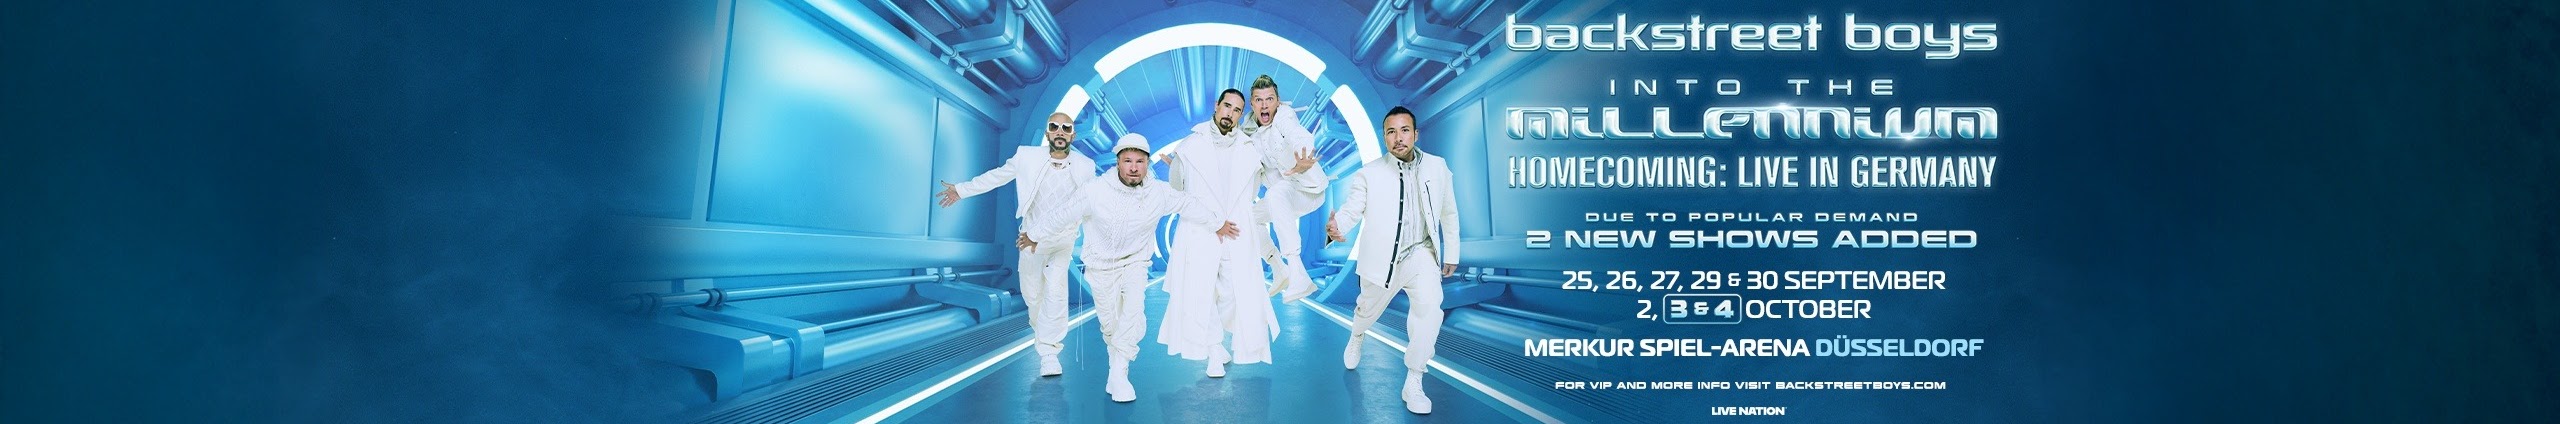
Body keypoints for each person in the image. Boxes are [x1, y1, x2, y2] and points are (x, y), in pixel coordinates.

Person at [1025, 134, 1199, 403]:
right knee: (1111, 324)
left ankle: (1120, 373)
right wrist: (1034, 234)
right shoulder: (1095, 191)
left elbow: (1189, 203)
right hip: (1101, 266)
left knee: (1133, 312)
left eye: (1140, 161)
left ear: (1147, 164)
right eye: (1128, 161)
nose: (1134, 167)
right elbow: (1063, 214)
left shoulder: (1159, 192)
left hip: (1136, 263)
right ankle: (1115, 365)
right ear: (1118, 163)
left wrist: (1219, 222)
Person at [937, 112, 1094, 377]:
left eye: (1066, 128)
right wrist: (962, 190)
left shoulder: (1086, 166)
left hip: (1063, 240)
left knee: (1056, 291)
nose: (1060, 131)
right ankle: (1041, 332)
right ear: (1048, 132)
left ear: (1072, 134)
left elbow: (1092, 202)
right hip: (1030, 239)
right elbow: (996, 177)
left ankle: (1049, 353)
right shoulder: (1026, 157)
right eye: (1054, 126)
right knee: (1033, 295)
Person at [1325, 106, 1460, 414]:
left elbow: (1448, 211)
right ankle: (1357, 333)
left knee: (1430, 310)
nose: (1398, 138)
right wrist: (1336, 228)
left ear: (1415, 134)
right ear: (1384, 137)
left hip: (1421, 252)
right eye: (1391, 132)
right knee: (1366, 310)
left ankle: (1414, 380)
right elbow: (1351, 210)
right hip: (1382, 259)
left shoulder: (1438, 167)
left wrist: (1451, 252)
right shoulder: (1369, 173)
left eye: (1404, 130)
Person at [1157, 89, 1274, 378]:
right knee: (1200, 292)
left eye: (1237, 110)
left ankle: (1217, 342)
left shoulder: (1250, 148)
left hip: (1235, 231)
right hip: (1198, 231)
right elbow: (1177, 191)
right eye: (1227, 106)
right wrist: (1210, 219)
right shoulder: (1190, 146)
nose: (1230, 114)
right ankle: (1213, 350)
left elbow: (1257, 187)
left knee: (1235, 292)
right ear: (1216, 106)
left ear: (1241, 115)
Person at [1240, 75, 1326, 303]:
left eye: (1270, 99)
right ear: (1252, 103)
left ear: (1277, 102)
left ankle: (1298, 274)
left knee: (1277, 192)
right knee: (1246, 217)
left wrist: (1304, 158)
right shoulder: (1248, 133)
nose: (1264, 105)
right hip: (1282, 197)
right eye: (1259, 100)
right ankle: (1280, 269)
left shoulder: (1284, 116)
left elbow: (1297, 134)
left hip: (1308, 190)